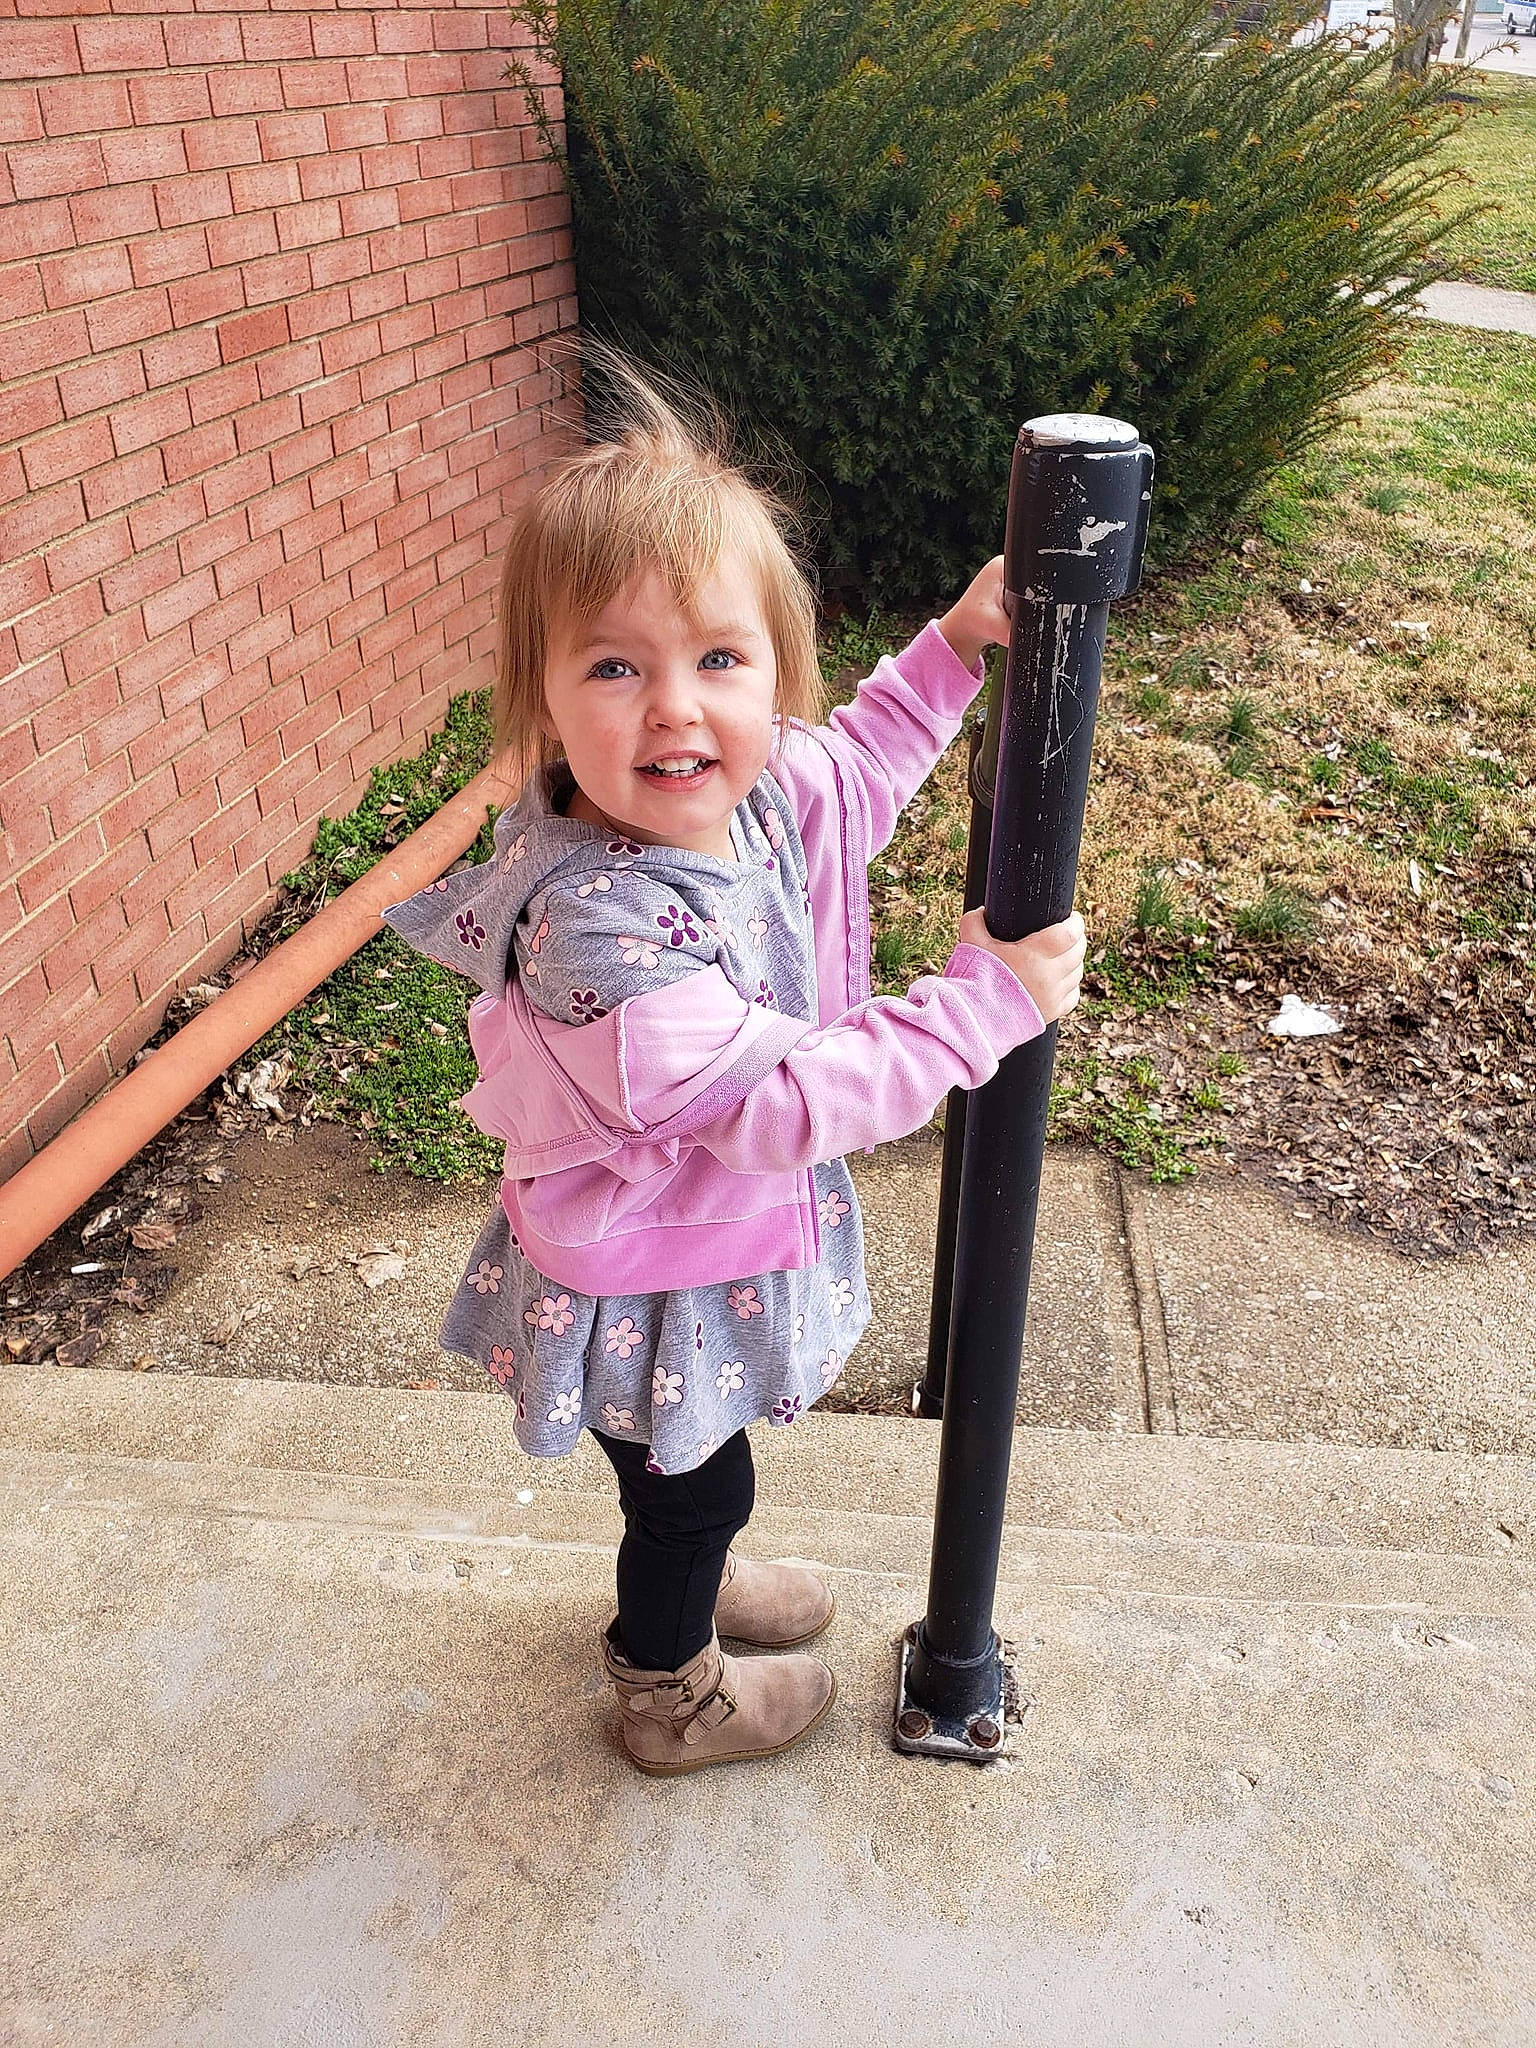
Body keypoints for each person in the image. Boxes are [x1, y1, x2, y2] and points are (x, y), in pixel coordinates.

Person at [382, 343, 1085, 1776]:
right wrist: (984, 1004)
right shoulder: (598, 933)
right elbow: (783, 1106)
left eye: (718, 659)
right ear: (542, 697)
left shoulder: (749, 792)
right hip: (642, 1277)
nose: (675, 708)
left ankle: (692, 1562)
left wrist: (956, 647)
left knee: (691, 1477)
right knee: (690, 1489)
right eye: (615, 666)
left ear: (773, 675)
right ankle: (667, 1687)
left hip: (691, 1251)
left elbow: (859, 770)